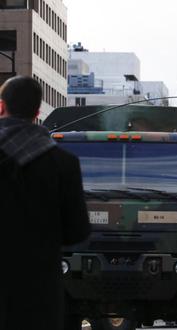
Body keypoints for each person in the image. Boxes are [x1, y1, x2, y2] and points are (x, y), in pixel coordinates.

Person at [0, 76, 91, 330]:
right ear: (38, 112)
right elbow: (77, 232)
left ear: (1, 107)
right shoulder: (64, 163)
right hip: (39, 295)